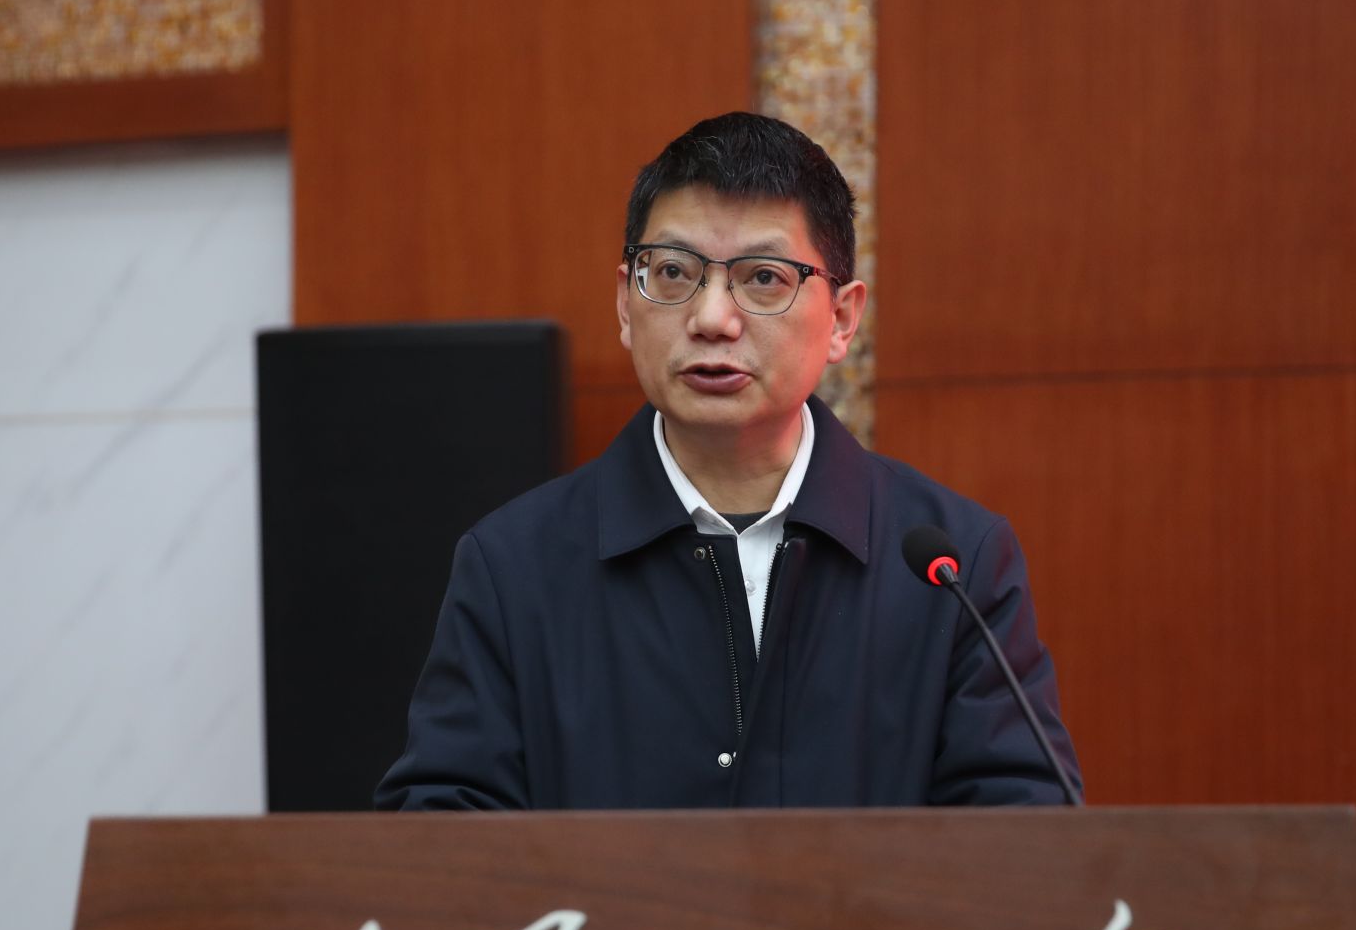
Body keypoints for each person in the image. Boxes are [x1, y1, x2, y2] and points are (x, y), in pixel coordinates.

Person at [375, 112, 1079, 810]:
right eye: (672, 272)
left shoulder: (951, 566)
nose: (712, 318)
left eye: (764, 277)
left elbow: (1022, 835)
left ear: (841, 319)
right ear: (624, 304)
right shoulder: (514, 566)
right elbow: (442, 837)